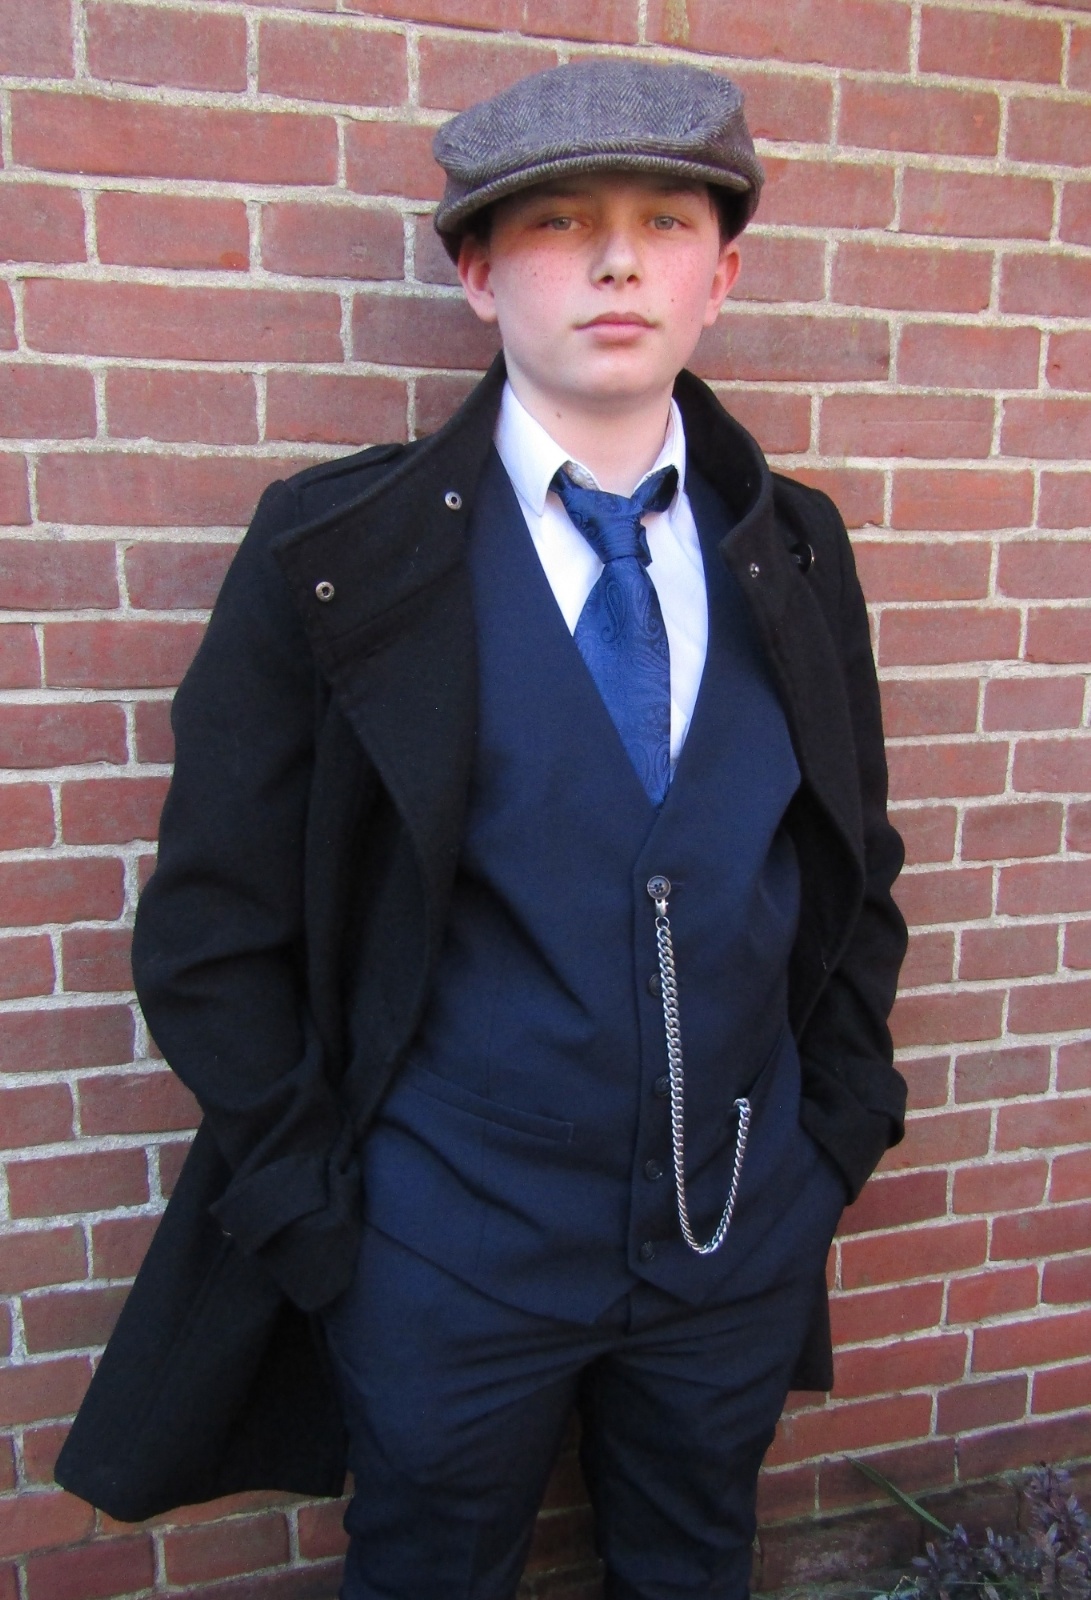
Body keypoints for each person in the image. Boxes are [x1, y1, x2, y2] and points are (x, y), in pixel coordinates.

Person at [56, 58, 908, 1600]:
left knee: (696, 1568)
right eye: (560, 222)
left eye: (665, 223)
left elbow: (858, 866)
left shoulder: (796, 550)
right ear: (476, 274)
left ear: (722, 277)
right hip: (441, 1257)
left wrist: (830, 1140)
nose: (615, 262)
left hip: (738, 1233)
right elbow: (210, 937)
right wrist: (330, 1228)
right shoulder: (336, 555)